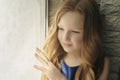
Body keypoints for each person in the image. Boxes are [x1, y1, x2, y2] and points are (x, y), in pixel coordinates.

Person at [34, 0, 110, 80]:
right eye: (61, 28)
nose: (65, 37)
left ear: (90, 34)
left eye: (75, 32)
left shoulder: (102, 64)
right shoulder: (54, 58)